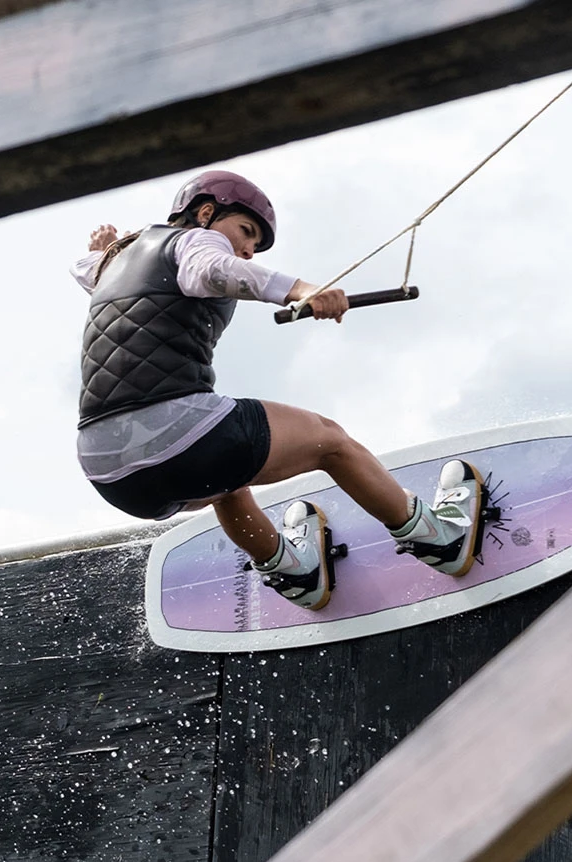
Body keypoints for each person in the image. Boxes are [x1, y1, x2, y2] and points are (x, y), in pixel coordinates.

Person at [72, 169, 483, 610]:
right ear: (205, 213)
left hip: (111, 474)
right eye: (246, 231)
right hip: (179, 438)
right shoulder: (194, 242)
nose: (249, 249)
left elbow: (85, 270)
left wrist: (102, 250)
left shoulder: (114, 264)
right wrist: (301, 290)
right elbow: (213, 268)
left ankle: (294, 571)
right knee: (330, 441)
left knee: (228, 478)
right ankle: (438, 539)